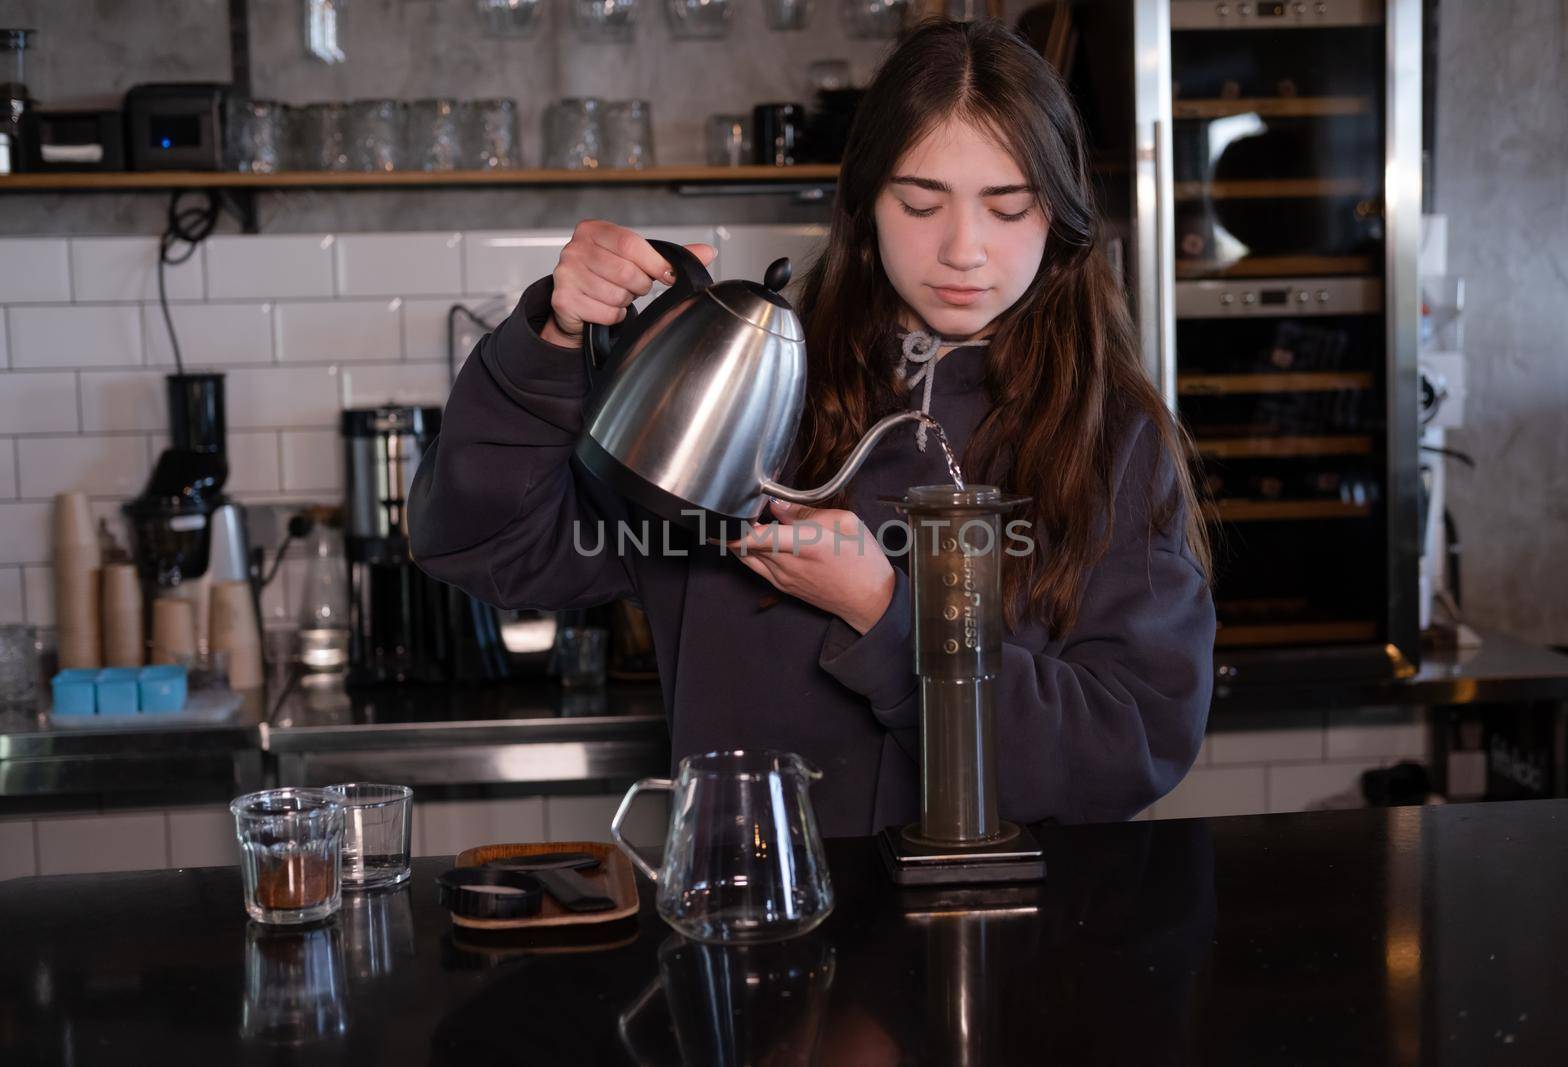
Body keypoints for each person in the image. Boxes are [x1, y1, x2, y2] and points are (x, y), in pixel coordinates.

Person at [408, 17, 1215, 837]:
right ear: (865, 203)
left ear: (1060, 218)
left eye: (1008, 208)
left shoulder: (1108, 435)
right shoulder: (742, 387)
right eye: (921, 203)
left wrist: (887, 615)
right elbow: (480, 543)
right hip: (759, 924)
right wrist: (552, 340)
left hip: (1012, 940)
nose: (964, 249)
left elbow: (1132, 745)